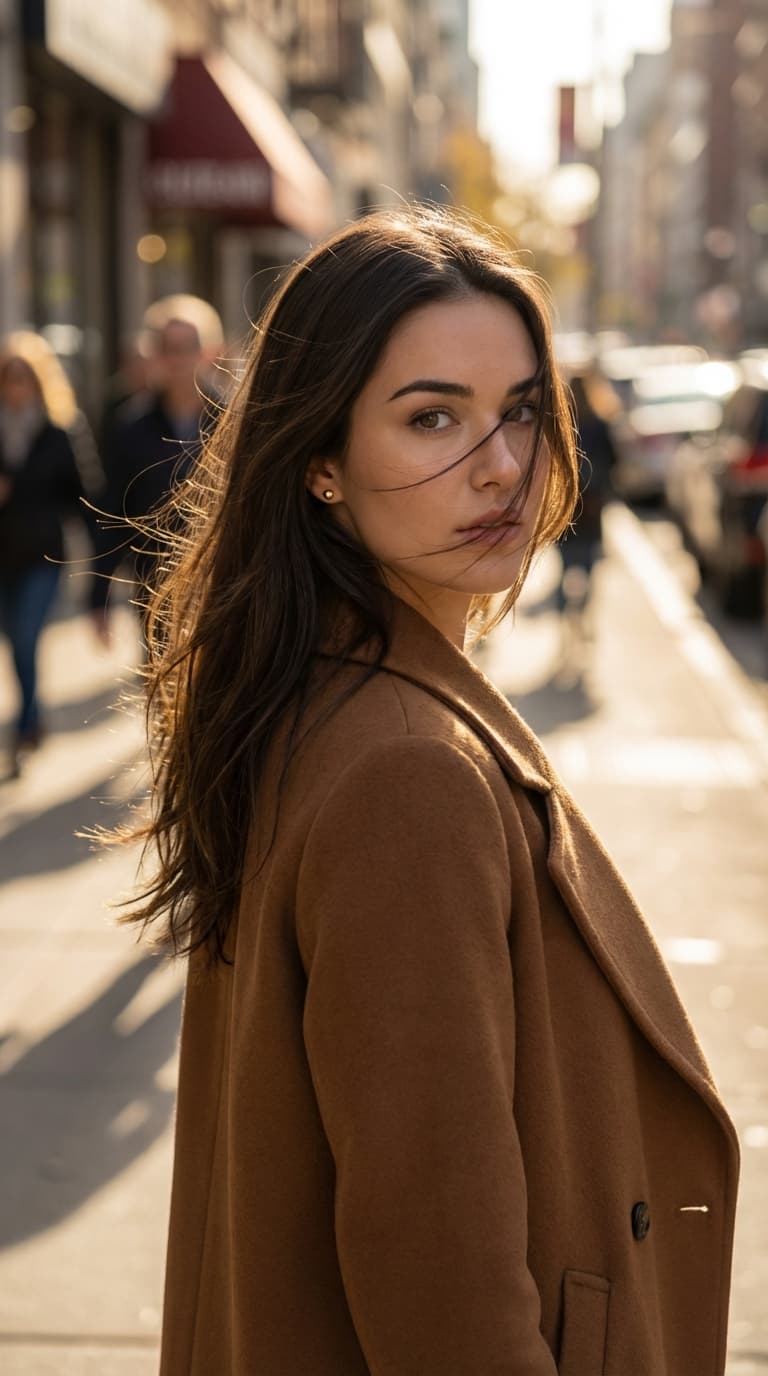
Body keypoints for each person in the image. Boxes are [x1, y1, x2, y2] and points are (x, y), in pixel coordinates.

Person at [123, 207, 738, 1375]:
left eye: (518, 411)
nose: (501, 462)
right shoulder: (409, 772)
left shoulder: (336, 696)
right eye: (431, 417)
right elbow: (439, 1271)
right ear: (320, 461)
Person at [0, 332, 102, 767]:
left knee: (26, 636)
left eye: (24, 377)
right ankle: (33, 716)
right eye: (9, 377)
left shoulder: (59, 432)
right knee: (13, 643)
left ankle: (25, 725)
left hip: (43, 556)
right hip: (2, 556)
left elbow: (84, 496)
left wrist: (99, 563)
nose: (16, 385)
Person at [94, 295, 224, 632]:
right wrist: (99, 596)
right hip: (155, 584)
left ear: (208, 352)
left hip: (224, 583)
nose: (179, 359)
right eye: (169, 348)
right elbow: (113, 510)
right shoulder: (131, 427)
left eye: (187, 347)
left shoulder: (236, 421)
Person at [555, 370, 619, 618]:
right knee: (590, 563)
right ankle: (583, 615)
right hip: (592, 504)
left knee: (565, 566)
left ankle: (564, 616)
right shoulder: (599, 423)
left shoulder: (561, 424)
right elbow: (614, 460)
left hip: (565, 505)